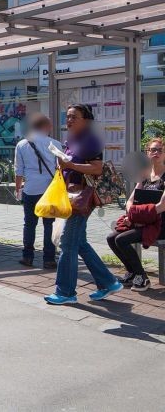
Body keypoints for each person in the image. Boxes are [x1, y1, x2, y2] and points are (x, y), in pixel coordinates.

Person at [44, 104, 123, 305]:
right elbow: (69, 163)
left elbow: (96, 169)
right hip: (70, 194)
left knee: (67, 243)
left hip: (82, 197)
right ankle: (108, 282)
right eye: (67, 117)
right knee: (79, 243)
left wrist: (70, 165)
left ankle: (66, 292)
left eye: (74, 117)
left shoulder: (91, 140)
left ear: (86, 120)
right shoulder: (71, 140)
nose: (69, 120)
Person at [107, 137, 165, 292]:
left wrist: (135, 217)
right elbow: (130, 201)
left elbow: (161, 207)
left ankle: (143, 278)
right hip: (142, 221)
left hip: (160, 224)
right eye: (152, 150)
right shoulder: (145, 175)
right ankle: (132, 272)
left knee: (122, 240)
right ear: (147, 153)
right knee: (111, 238)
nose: (156, 153)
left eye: (160, 150)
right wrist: (130, 216)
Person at [14, 113, 62, 269]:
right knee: (49, 224)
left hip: (30, 190)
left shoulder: (21, 145)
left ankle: (27, 256)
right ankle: (49, 259)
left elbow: (18, 171)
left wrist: (18, 189)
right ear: (45, 127)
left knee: (29, 224)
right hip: (49, 191)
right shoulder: (55, 144)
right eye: (50, 126)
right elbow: (60, 168)